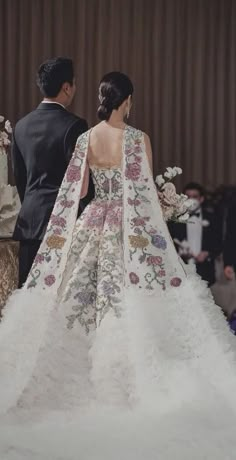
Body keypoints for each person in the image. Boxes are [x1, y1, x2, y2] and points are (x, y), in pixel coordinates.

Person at [0, 72, 236, 459]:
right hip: (127, 226)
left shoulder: (85, 138)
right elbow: (142, 199)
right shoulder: (137, 139)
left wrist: (68, 233)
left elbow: (73, 193)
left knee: (80, 296)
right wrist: (162, 227)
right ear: (127, 100)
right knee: (130, 295)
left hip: (92, 222)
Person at [11, 57, 94, 287]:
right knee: (58, 298)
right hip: (62, 224)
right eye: (74, 84)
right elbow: (82, 181)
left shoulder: (21, 125)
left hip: (29, 223)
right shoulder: (75, 125)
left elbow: (20, 178)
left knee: (28, 296)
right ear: (66, 87)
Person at [168, 182, 222, 286]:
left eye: (195, 196)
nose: (191, 199)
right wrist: (179, 253)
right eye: (188, 196)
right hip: (181, 270)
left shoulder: (213, 218)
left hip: (205, 271)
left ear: (201, 199)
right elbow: (169, 244)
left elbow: (219, 243)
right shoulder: (174, 220)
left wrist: (207, 254)